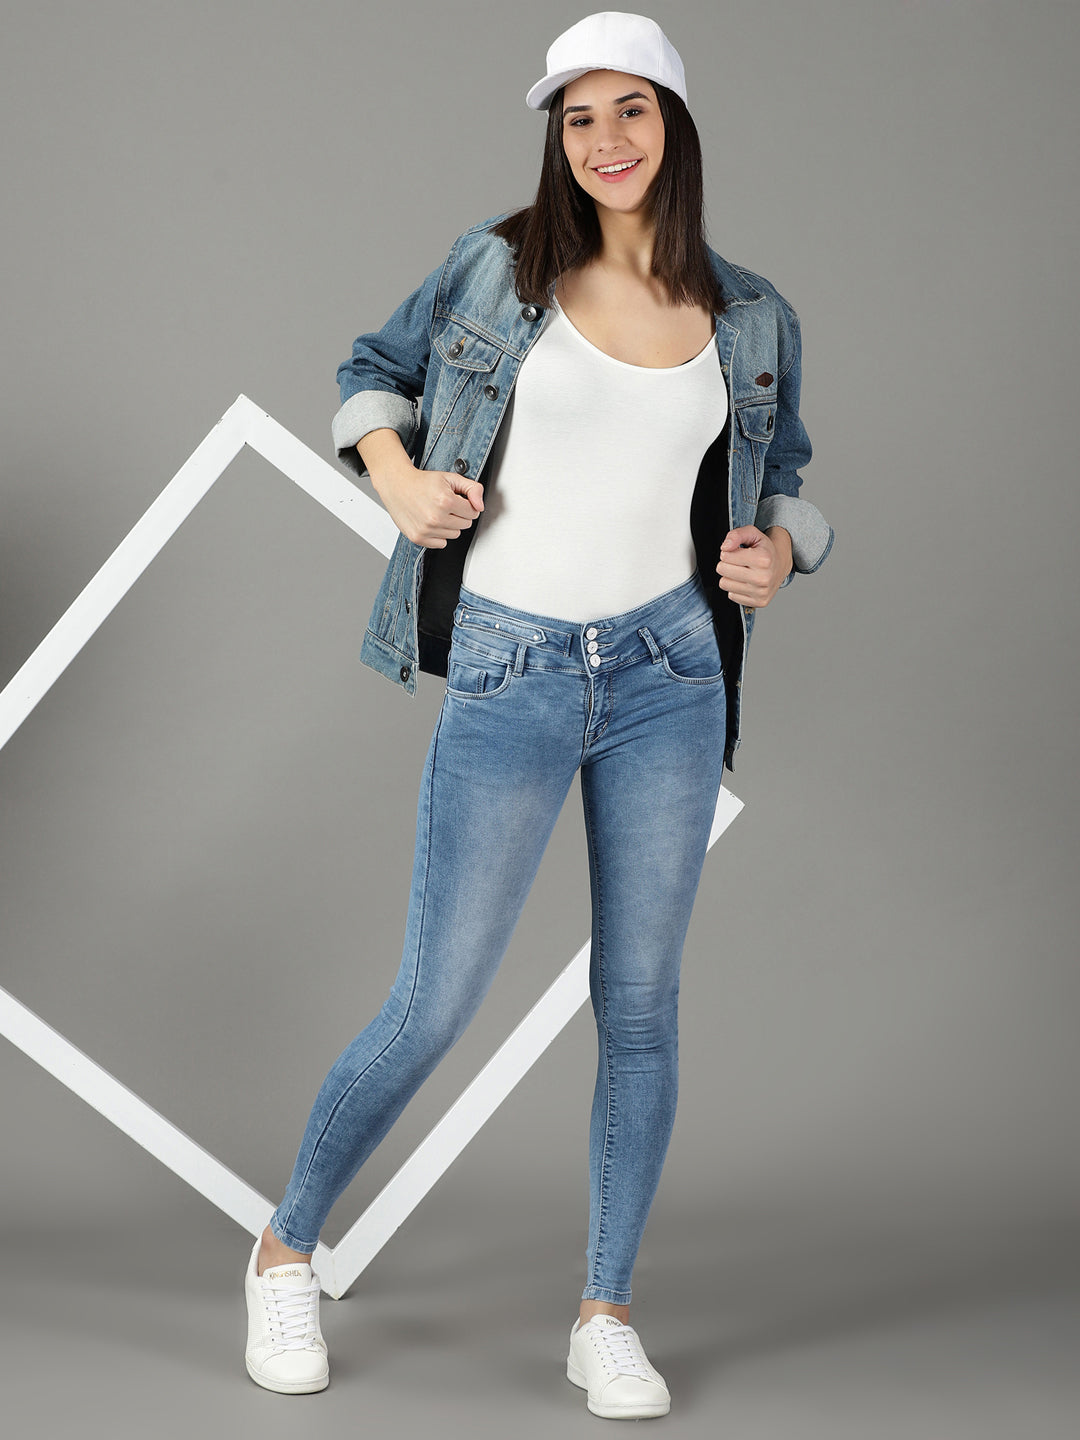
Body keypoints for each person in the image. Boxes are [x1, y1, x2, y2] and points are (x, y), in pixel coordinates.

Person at [243, 10, 832, 1421]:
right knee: (436, 998)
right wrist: (396, 479)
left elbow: (789, 480)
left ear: (675, 128)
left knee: (640, 1008)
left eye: (633, 111)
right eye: (579, 117)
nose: (607, 141)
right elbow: (367, 374)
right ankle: (284, 1252)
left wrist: (784, 547)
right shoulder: (496, 269)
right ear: (556, 138)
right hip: (510, 665)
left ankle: (605, 1312)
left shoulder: (751, 315)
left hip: (670, 675)